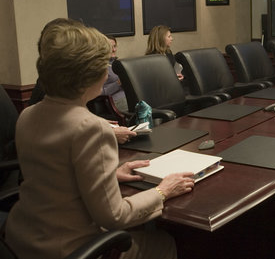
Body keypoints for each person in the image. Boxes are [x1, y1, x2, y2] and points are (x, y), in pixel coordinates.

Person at [5, 20, 195, 259]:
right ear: (89, 75)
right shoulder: (91, 128)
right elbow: (115, 217)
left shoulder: (27, 115)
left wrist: (110, 174)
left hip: (20, 240)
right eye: (105, 64)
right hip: (69, 249)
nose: (108, 70)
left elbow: (54, 175)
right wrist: (163, 191)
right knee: (164, 242)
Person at [28, 18, 135, 145]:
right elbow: (56, 137)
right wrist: (104, 133)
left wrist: (99, 125)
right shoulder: (48, 91)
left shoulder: (58, 87)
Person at [103, 35, 128, 112]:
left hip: (128, 96)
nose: (114, 50)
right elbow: (100, 92)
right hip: (116, 100)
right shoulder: (100, 67)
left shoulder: (118, 63)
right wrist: (118, 83)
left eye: (115, 46)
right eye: (111, 47)